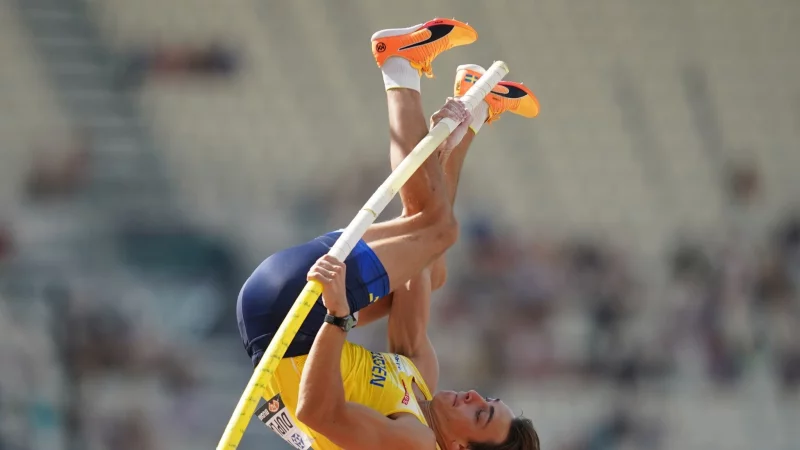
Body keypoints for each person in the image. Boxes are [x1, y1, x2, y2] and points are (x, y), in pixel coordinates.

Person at [236, 18, 540, 450]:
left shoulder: (415, 444)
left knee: (438, 231)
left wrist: (338, 316)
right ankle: (470, 112)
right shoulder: (420, 379)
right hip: (286, 303)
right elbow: (421, 259)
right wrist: (442, 152)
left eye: (480, 414)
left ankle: (400, 67)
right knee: (432, 262)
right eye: (487, 399)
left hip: (287, 322)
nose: (475, 396)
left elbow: (317, 414)